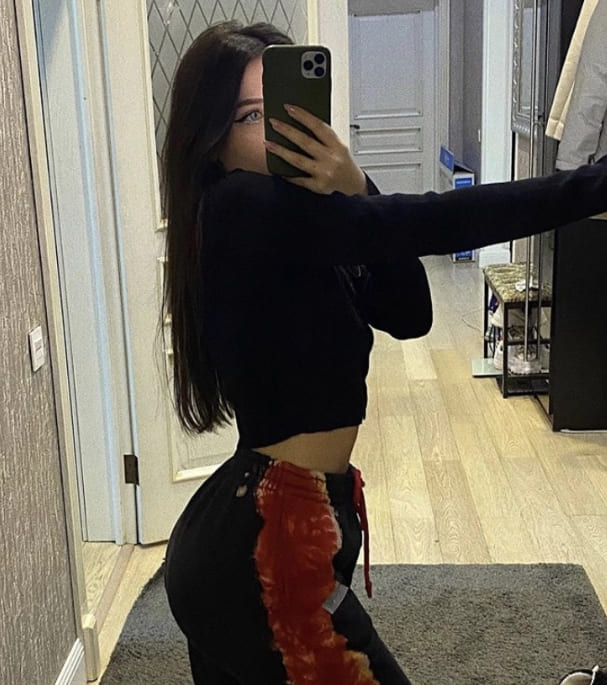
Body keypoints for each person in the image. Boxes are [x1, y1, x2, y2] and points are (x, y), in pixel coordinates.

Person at [161, 20, 607, 685]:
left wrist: (356, 185)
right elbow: (430, 221)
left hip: (274, 528)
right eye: (251, 117)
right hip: (265, 551)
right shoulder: (236, 206)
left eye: (283, 111)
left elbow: (408, 313)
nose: (277, 132)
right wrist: (592, 186)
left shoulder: (303, 222)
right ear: (212, 141)